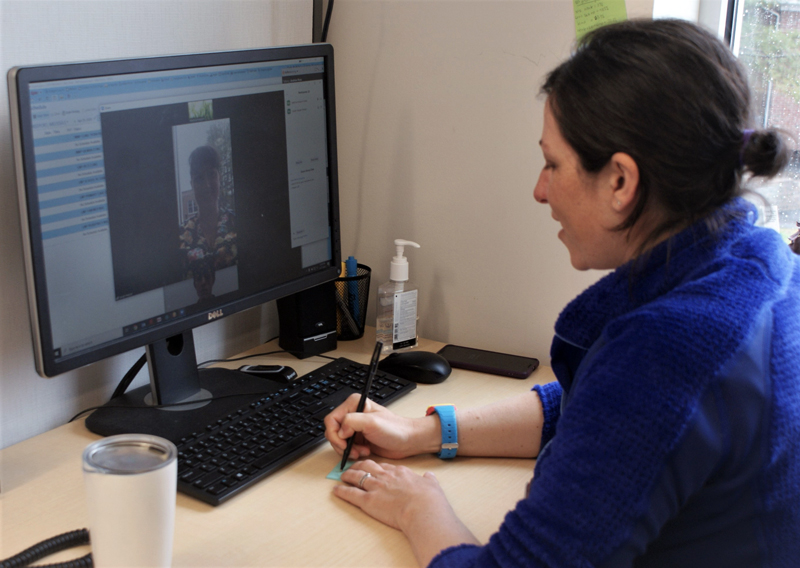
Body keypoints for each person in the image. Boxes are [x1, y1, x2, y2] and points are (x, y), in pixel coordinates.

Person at [324, 19, 800, 568]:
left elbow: (626, 401)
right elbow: (596, 408)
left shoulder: (670, 349)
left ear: (621, 181)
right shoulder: (759, 264)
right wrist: (424, 431)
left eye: (553, 163)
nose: (539, 189)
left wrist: (420, 507)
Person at [180, 145, 237, 292]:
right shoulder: (180, 237)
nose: (206, 185)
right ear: (192, 185)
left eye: (211, 174)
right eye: (199, 178)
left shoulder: (238, 223)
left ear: (219, 178)